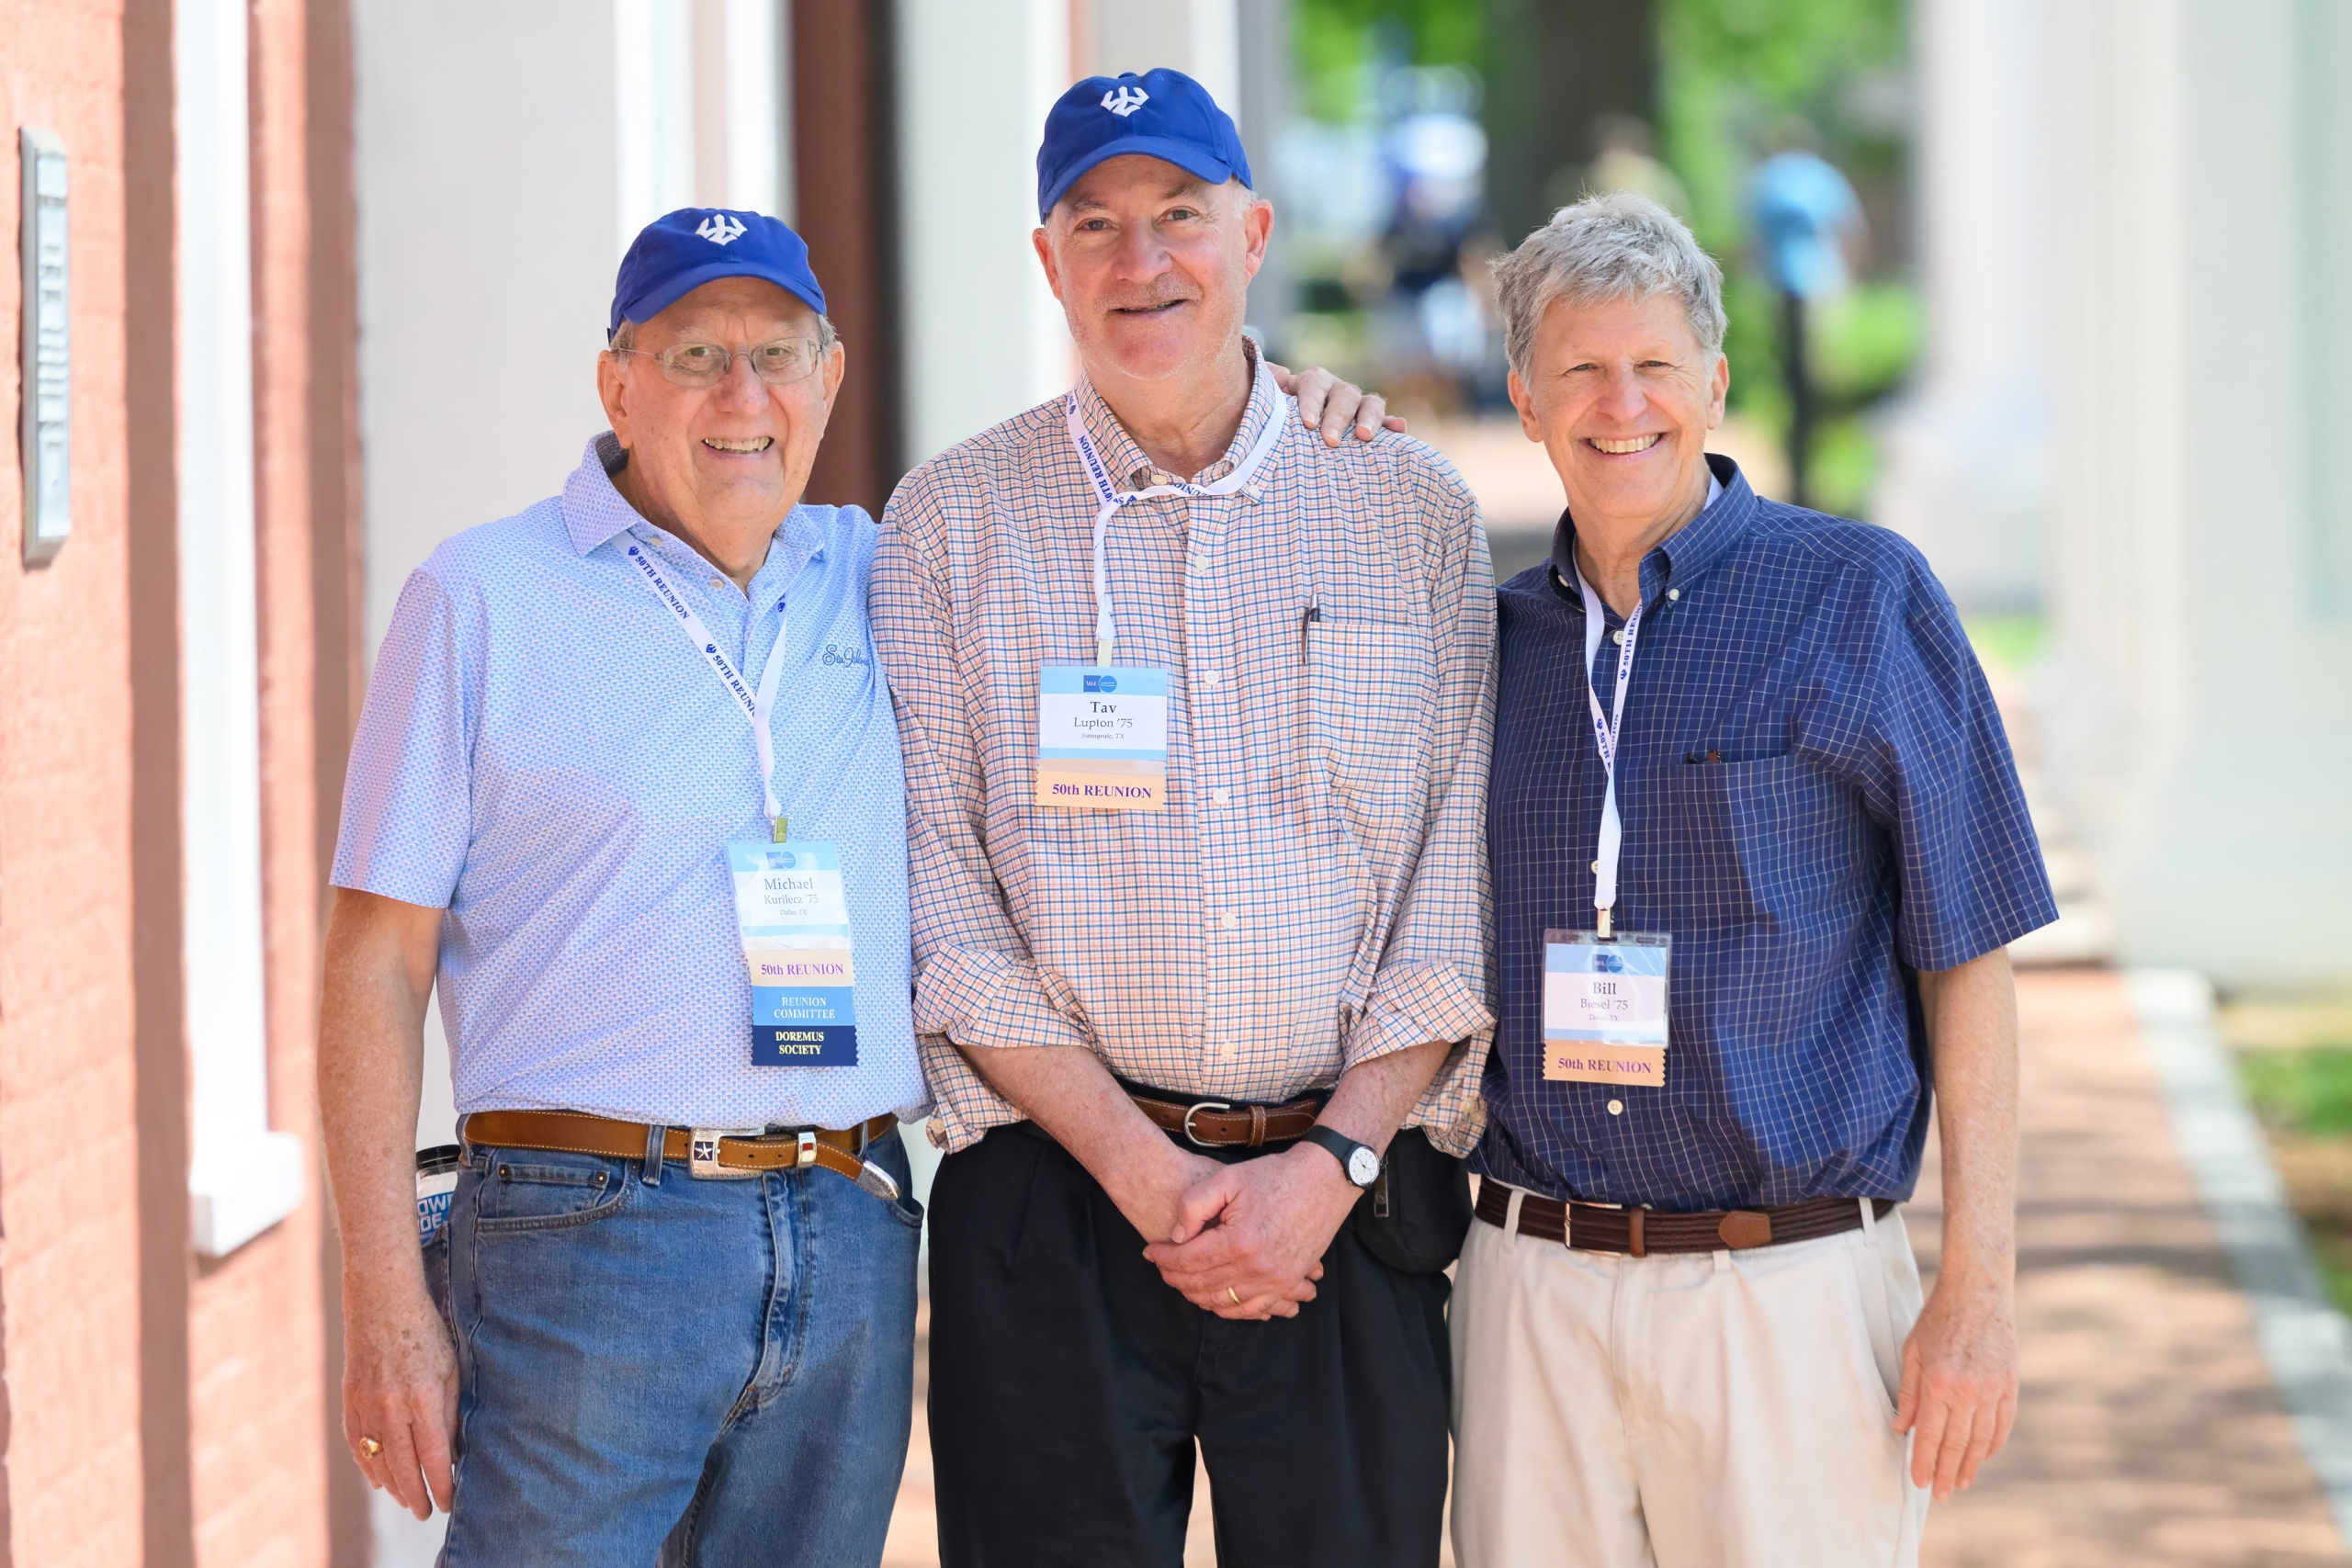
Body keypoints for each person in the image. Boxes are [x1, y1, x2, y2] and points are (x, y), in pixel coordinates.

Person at [318, 202, 1392, 1563]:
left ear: (830, 381)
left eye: (779, 355)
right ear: (616, 382)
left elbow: (1112, 495)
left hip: (850, 1230)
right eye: (696, 354)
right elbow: (372, 958)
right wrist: (379, 1298)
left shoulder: (881, 567)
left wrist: (1282, 405)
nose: (743, 397)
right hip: (589, 1241)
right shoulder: (481, 599)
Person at [872, 68, 1496, 1568]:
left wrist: (1323, 1173)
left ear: (1255, 232)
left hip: (1344, 1204)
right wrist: (1152, 1176)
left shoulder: (1407, 509)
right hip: (1057, 1201)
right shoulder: (946, 524)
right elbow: (941, 902)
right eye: (1096, 224)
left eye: (1179, 216)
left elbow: (1455, 878)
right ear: (1047, 258)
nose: (1141, 261)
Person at [1453, 191, 2051, 1567]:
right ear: (1526, 399)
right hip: (1529, 1287)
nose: (1622, 406)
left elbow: (1969, 948)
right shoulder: (1487, 643)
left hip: (1782, 1291)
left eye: (1655, 366)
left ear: (1714, 384)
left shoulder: (1859, 595)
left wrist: (1979, 1288)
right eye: (1581, 370)